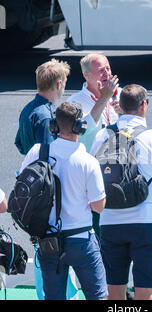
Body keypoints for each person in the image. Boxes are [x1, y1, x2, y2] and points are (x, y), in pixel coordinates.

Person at [90, 84, 152, 300]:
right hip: (145, 222)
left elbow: (93, 174)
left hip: (109, 222)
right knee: (145, 291)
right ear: (144, 106)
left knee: (114, 291)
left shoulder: (103, 134)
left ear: (119, 106)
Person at [19, 102, 108, 300]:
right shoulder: (88, 162)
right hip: (82, 239)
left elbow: (21, 184)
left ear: (53, 126)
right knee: (99, 296)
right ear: (80, 127)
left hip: (49, 240)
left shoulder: (37, 152)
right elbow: (98, 207)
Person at [67, 53, 121, 153]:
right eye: (101, 70)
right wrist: (104, 98)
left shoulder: (120, 94)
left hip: (118, 159)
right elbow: (82, 131)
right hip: (92, 162)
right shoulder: (74, 102)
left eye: (108, 68)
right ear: (86, 75)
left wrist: (125, 112)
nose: (107, 74)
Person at [15, 59, 70, 155]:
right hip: (44, 169)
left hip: (30, 166)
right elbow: (47, 156)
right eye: (65, 83)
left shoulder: (27, 108)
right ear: (59, 84)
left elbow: (19, 143)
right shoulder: (47, 117)